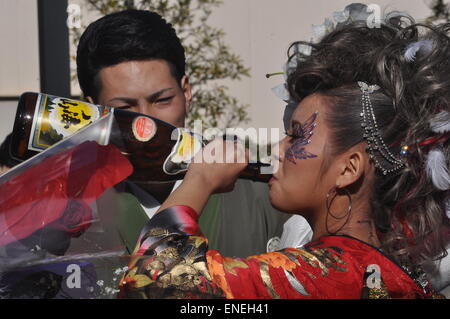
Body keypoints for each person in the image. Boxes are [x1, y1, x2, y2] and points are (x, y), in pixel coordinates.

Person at [118, 11, 450, 298]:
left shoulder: (327, 275)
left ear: (349, 168)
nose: (278, 148)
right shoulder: (391, 270)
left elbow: (155, 284)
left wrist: (200, 179)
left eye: (295, 136)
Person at [76, 9, 297, 256]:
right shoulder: (72, 211)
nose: (147, 127)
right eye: (125, 108)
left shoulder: (258, 193)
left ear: (187, 92)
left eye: (162, 100)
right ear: (95, 110)